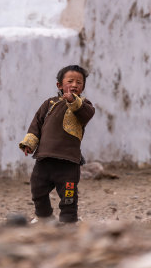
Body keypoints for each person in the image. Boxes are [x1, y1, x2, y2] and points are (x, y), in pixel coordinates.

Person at [19, 64, 95, 224]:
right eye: (70, 81)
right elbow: (36, 124)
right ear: (59, 85)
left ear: (83, 88)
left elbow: (85, 114)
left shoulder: (84, 105)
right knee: (37, 189)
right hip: (44, 158)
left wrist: (73, 101)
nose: (74, 85)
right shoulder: (49, 104)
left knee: (68, 194)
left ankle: (69, 220)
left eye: (79, 82)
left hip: (68, 162)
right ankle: (44, 217)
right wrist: (30, 143)